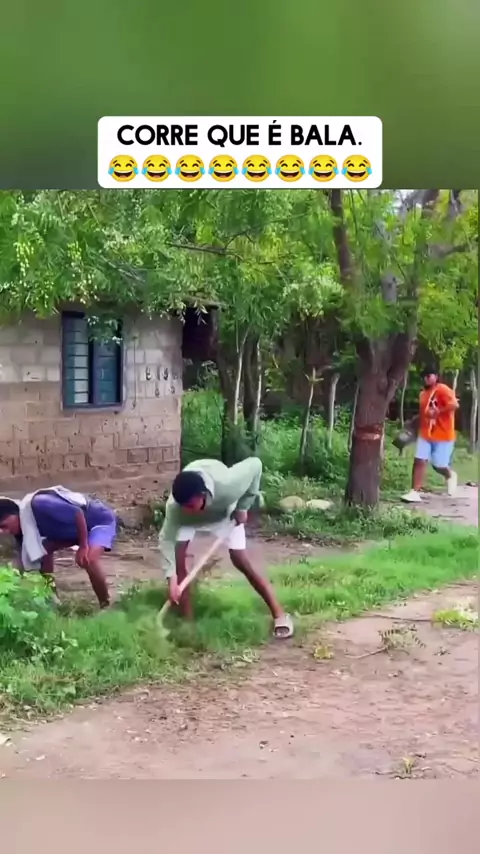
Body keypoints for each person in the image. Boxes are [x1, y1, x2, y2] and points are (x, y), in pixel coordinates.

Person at [158, 457, 294, 638]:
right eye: (183, 506)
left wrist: (243, 508)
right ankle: (189, 626)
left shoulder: (228, 484)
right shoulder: (177, 509)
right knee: (179, 568)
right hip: (187, 523)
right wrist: (171, 578)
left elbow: (255, 465)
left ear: (203, 494)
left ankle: (280, 615)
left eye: (190, 505)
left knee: (241, 561)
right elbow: (166, 539)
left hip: (225, 514)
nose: (187, 509)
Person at [0, 488, 117, 608]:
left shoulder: (40, 503)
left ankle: (105, 604)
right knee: (42, 553)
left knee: (87, 559)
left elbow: (77, 512)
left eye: (3, 525)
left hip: (97, 522)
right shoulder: (24, 528)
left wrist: (83, 546)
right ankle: (54, 601)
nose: (2, 532)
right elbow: (24, 561)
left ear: (15, 514)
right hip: (71, 532)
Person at [401, 368, 459, 503]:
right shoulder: (423, 394)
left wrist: (439, 411)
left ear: (436, 376)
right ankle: (414, 492)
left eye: (428, 376)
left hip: (443, 435)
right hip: (426, 433)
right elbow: (424, 413)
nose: (426, 378)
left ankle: (450, 474)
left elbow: (454, 404)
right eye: (424, 376)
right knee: (419, 460)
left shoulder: (442, 389)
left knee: (438, 465)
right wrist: (413, 423)